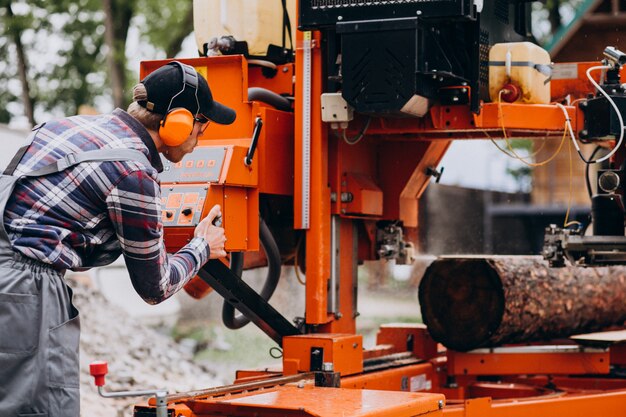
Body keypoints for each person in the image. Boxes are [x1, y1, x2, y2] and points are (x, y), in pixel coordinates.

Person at [0, 61, 235, 416]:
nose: (197, 143)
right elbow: (155, 288)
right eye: (200, 129)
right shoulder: (134, 172)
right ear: (178, 123)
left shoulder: (62, 126)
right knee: (40, 409)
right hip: (25, 292)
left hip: (8, 270)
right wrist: (202, 246)